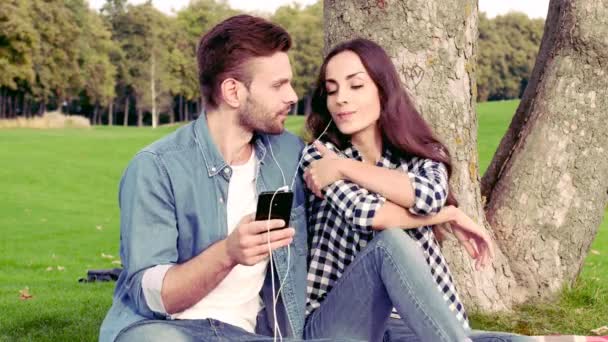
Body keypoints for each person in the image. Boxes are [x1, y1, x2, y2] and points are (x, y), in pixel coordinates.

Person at [99, 15, 310, 342]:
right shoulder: (155, 168)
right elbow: (154, 295)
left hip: (249, 334)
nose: (293, 95)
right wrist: (228, 252)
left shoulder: (288, 153)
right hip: (167, 331)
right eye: (278, 85)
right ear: (233, 91)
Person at [300, 38, 526, 342]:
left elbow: (429, 196)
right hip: (338, 326)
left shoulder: (419, 155)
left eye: (355, 86)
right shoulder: (319, 155)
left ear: (383, 90)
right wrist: (447, 215)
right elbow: (370, 214)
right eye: (332, 89)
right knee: (391, 242)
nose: (341, 98)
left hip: (401, 325)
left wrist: (344, 168)